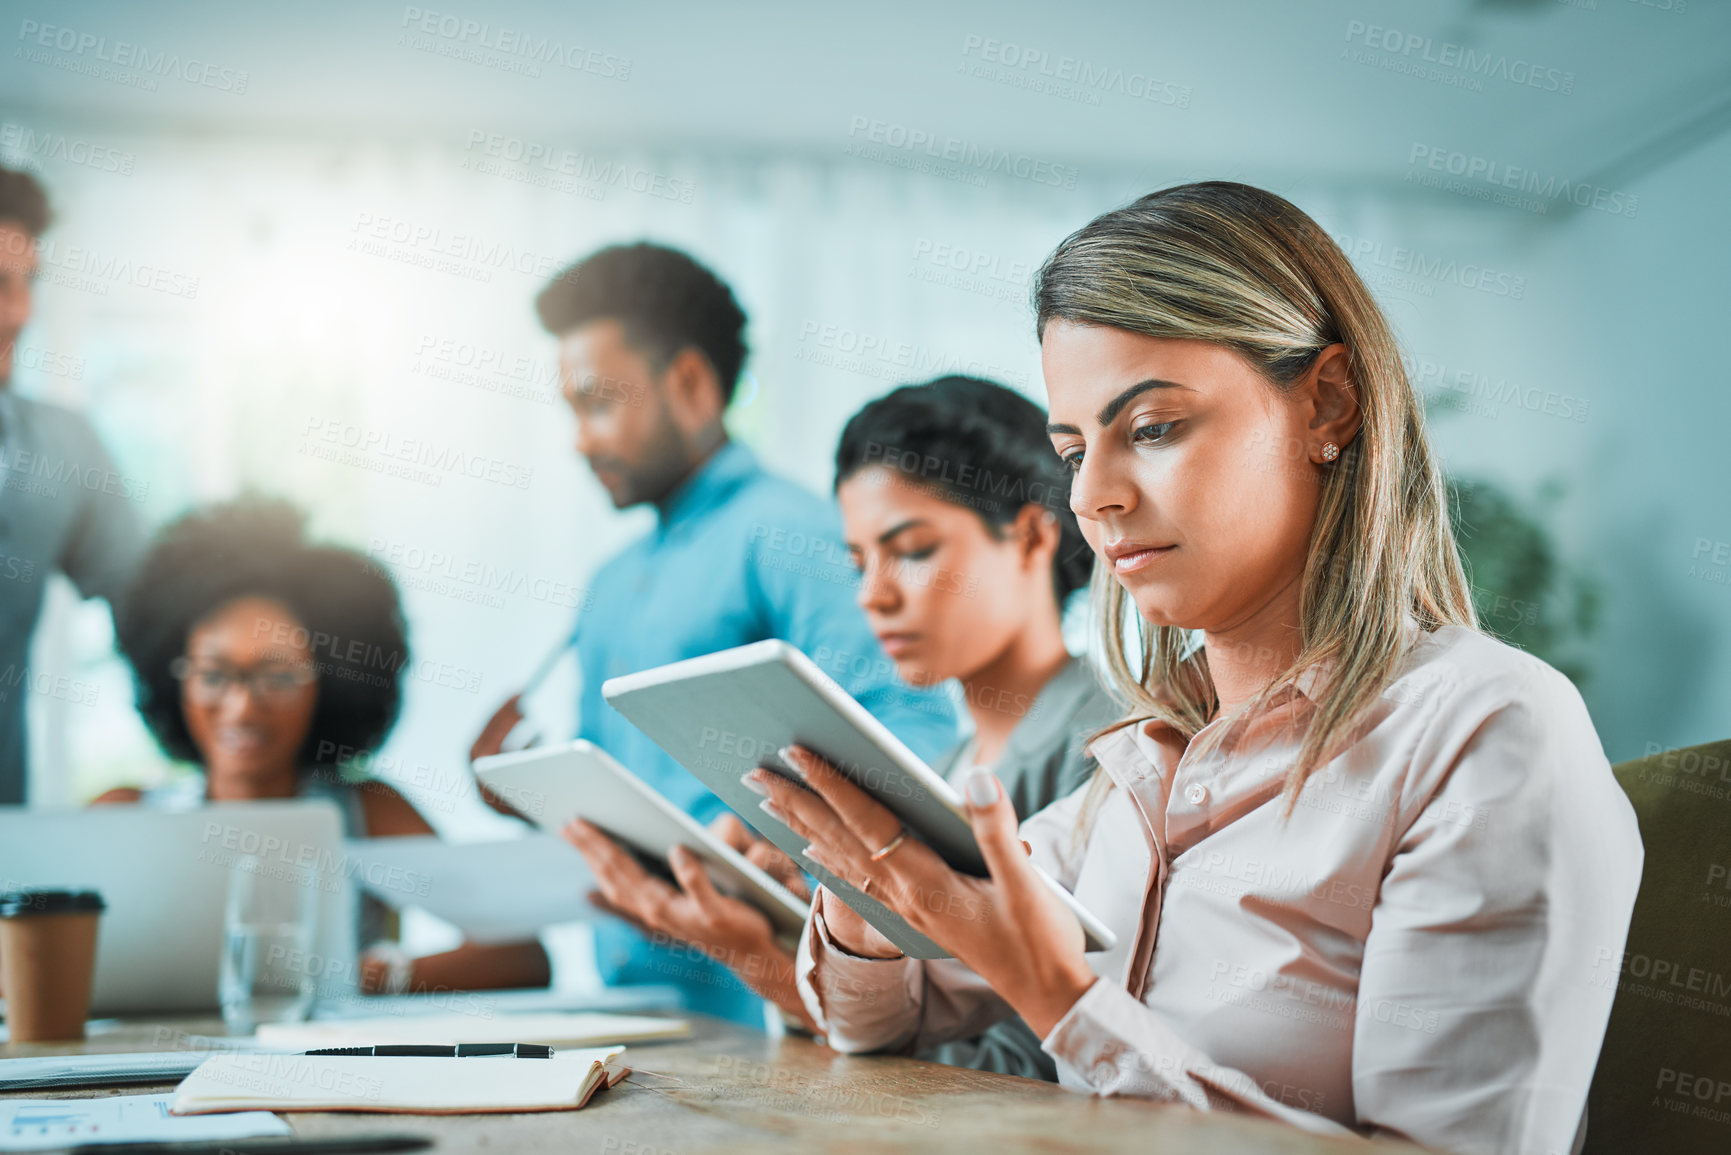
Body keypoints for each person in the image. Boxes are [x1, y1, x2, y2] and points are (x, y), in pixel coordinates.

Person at [759, 182, 1642, 1153]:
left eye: (1152, 429)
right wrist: (868, 889)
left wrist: (1060, 998)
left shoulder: (1486, 733)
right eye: (1073, 449)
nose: (1091, 497)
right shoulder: (1141, 763)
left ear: (1328, 404)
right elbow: (876, 1021)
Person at [564, 376, 1115, 1078]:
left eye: (912, 550)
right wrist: (797, 934)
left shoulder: (1115, 743)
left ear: (1033, 534)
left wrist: (766, 966)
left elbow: (1053, 1060)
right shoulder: (940, 769)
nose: (872, 596)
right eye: (858, 562)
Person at [470, 244, 957, 1025]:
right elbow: (623, 795)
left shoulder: (789, 533)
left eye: (597, 401)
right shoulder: (608, 581)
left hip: (775, 1013)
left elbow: (913, 732)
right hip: (633, 1010)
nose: (579, 439)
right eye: (569, 409)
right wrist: (528, 792)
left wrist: (769, 828)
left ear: (690, 384)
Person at [95, 499, 549, 996]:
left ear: (329, 684)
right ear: (171, 676)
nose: (243, 706)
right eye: (214, 674)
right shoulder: (120, 816)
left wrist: (378, 976)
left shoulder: (369, 812)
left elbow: (522, 956)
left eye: (278, 676)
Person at [0, 164, 146, 805]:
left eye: (29, 284)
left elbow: (157, 607)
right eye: (0, 285)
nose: (21, 313)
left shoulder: (64, 447)